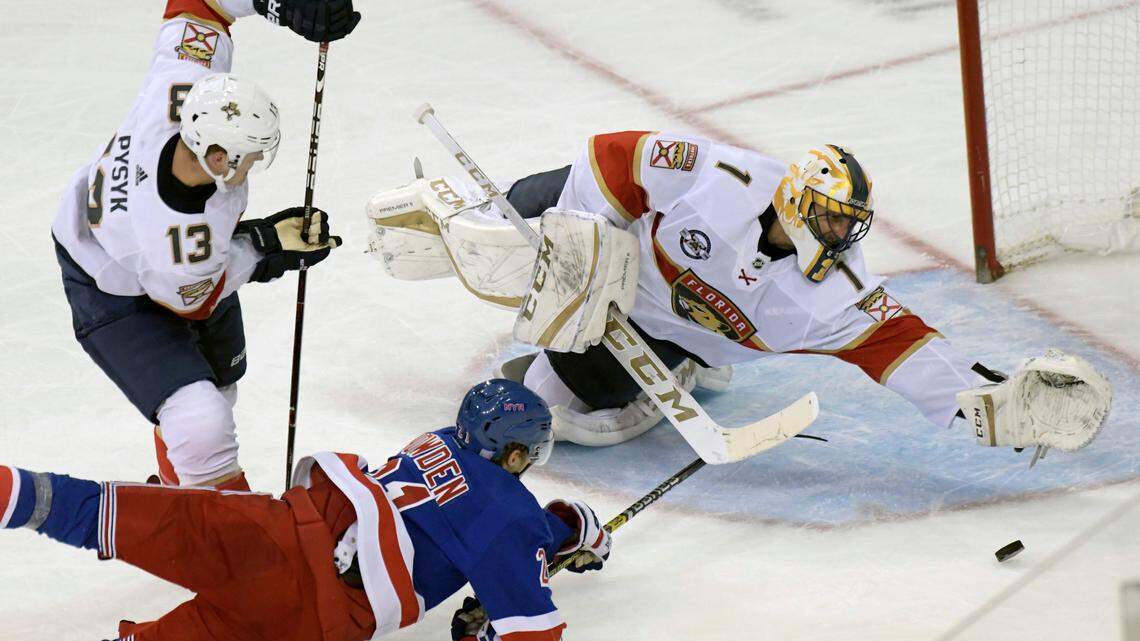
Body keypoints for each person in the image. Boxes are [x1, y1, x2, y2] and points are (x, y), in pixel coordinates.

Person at [365, 132, 1111, 456]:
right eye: (827, 215)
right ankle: (462, 208)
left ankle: (680, 372)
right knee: (526, 225)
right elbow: (612, 158)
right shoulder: (723, 177)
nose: (838, 233)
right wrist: (576, 240)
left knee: (547, 394)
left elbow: (902, 344)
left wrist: (988, 403)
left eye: (848, 223)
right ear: (791, 198)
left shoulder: (834, 292)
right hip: (625, 274)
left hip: (664, 335)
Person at [0, 379, 610, 640]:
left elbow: (457, 516)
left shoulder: (440, 440)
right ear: (511, 454)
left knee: (86, 508)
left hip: (273, 531)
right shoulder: (510, 517)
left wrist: (558, 530)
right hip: (314, 621)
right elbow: (535, 628)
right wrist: (558, 533)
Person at [51, 0, 359, 490]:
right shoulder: (186, 242)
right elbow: (194, 304)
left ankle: (182, 492)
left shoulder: (181, 90)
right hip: (107, 280)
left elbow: (196, 5)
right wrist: (264, 248)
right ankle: (231, 541)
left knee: (220, 381)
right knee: (201, 419)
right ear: (218, 157)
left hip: (129, 239)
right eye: (250, 157)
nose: (254, 164)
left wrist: (278, 3)